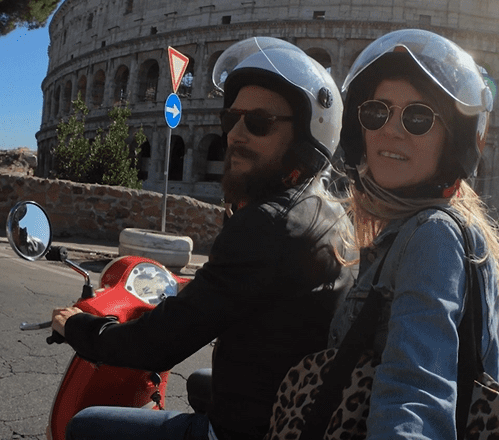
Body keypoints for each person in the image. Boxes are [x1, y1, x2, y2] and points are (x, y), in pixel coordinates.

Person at [52, 37, 353, 440]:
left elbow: (158, 345)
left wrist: (81, 329)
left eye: (259, 122)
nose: (236, 134)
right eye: (232, 119)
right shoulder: (327, 212)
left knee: (84, 426)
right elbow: (246, 289)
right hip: (293, 409)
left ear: (304, 139)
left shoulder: (267, 225)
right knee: (198, 382)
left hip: (249, 431)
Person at [328, 29, 499, 439]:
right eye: (377, 112)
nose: (391, 129)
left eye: (417, 116)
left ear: (452, 143)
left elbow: (416, 392)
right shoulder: (419, 229)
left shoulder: (432, 237)